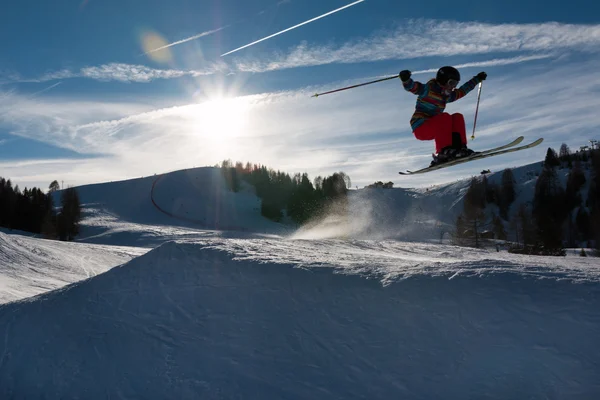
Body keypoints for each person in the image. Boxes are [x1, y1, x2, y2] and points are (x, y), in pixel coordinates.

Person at [399, 66, 487, 166]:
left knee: (457, 116)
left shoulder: (447, 96)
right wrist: (406, 79)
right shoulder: (427, 89)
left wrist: (476, 79)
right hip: (421, 127)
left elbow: (462, 91)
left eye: (455, 84)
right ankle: (444, 152)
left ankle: (459, 148)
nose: (453, 87)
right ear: (443, 80)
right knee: (444, 117)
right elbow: (412, 87)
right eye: (452, 83)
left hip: (436, 127)